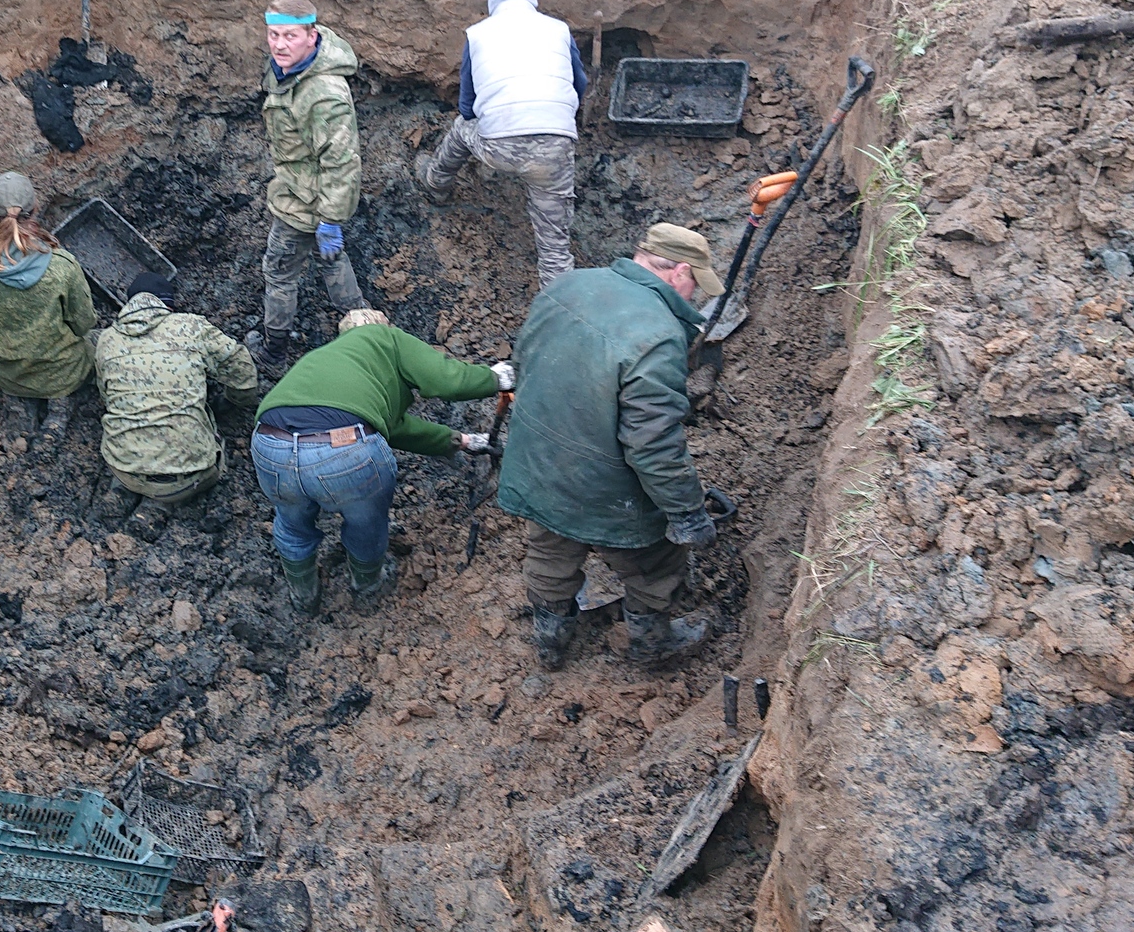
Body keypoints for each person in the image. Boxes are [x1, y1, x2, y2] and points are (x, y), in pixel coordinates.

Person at [496, 222, 725, 670]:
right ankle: (651, 644)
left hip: (536, 461)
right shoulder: (658, 334)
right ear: (680, 271)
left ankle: (550, 642)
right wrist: (685, 511)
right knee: (655, 562)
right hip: (602, 485)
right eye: (696, 283)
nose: (694, 295)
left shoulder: (569, 284)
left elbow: (523, 360)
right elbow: (652, 443)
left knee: (549, 550)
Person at [253, 308, 508, 614]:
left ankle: (304, 598)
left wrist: (460, 440)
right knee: (366, 525)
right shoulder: (384, 338)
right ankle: (367, 588)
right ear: (381, 326)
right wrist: (496, 378)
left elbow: (392, 427)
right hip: (345, 450)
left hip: (270, 444)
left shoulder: (326, 359)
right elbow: (447, 380)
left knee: (291, 525)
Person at [414, 0, 588, 285]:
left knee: (461, 127)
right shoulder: (559, 29)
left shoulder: (477, 34)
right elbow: (580, 83)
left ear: (493, 4)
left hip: (498, 147)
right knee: (554, 245)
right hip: (553, 148)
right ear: (532, 1)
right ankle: (559, 304)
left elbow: (467, 106)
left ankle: (436, 183)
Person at [246, 0, 369, 375]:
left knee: (279, 272)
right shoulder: (293, 68)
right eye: (273, 35)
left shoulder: (324, 96)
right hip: (303, 184)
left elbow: (342, 161)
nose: (279, 45)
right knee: (332, 260)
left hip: (305, 200)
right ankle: (365, 331)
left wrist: (329, 217)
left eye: (290, 37)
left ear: (312, 36)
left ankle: (273, 352)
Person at [89, 272, 260, 527]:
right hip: (188, 476)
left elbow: (108, 397)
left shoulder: (106, 340)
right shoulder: (192, 327)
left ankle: (123, 491)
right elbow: (243, 373)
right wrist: (235, 401)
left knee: (133, 447)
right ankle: (158, 506)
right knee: (201, 448)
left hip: (122, 466)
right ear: (168, 305)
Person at [0, 173, 96, 457]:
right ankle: (59, 409)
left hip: (10, 374)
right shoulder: (62, 265)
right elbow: (84, 324)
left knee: (19, 386)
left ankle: (21, 409)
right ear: (37, 207)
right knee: (97, 343)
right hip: (64, 372)